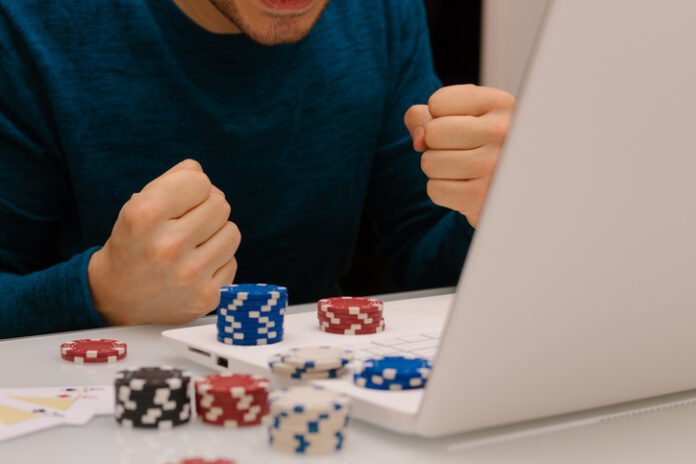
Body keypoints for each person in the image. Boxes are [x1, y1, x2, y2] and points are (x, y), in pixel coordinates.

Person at [0, 0, 515, 339]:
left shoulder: (380, 11)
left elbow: (427, 261)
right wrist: (101, 293)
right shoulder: (26, 22)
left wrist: (492, 211)